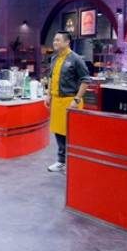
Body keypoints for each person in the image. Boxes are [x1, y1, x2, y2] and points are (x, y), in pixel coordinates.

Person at [45, 31, 89, 173]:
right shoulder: (54, 58)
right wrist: (48, 95)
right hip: (57, 101)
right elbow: (51, 77)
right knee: (58, 133)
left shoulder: (76, 59)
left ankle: (75, 162)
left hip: (71, 101)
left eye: (58, 40)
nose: (55, 42)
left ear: (67, 42)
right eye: (54, 40)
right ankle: (61, 162)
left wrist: (77, 99)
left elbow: (85, 80)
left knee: (73, 134)